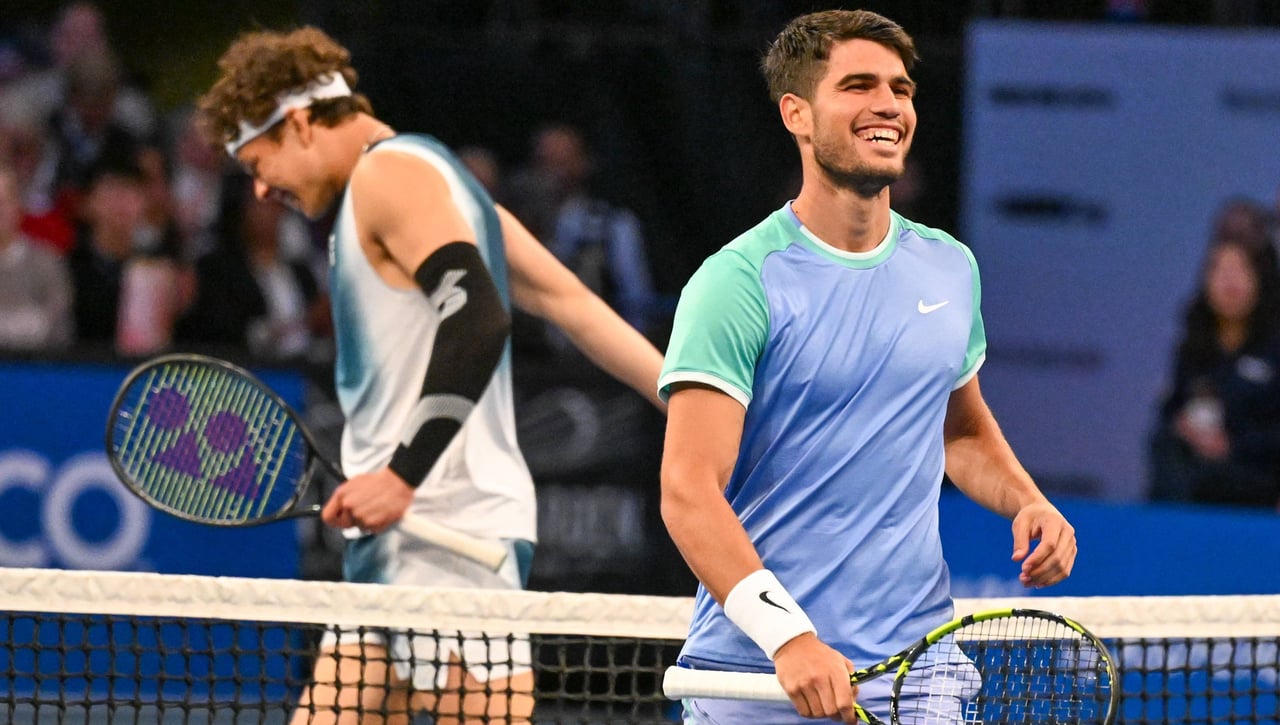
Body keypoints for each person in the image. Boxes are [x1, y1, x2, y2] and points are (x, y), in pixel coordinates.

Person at [196, 26, 664, 725]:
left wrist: (400, 476)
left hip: (449, 540)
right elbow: (573, 305)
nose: (261, 188)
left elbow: (477, 318)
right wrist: (691, 403)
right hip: (401, 540)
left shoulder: (392, 177)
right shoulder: (441, 186)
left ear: (297, 123)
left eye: (257, 162)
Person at [657, 10, 1078, 724]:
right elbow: (688, 491)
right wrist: (790, 638)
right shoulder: (738, 281)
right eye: (858, 86)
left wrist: (1026, 499)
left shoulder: (949, 266)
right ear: (796, 113)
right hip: (761, 674)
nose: (888, 105)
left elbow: (960, 430)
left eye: (900, 89)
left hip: (918, 668)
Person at [1149, 235, 1280, 508]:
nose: (1229, 281)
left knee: (1209, 479)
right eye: (1219, 269)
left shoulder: (1274, 346)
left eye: (1240, 269)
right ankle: (1166, 527)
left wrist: (1233, 445)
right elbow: (1171, 408)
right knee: (1165, 447)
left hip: (1256, 471)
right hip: (1195, 466)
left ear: (1259, 280)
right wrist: (1184, 427)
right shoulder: (1194, 345)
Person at [0, 161, 73, 351]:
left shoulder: (47, 261)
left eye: (5, 201)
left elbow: (58, 325)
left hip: (38, 365)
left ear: (18, 205)